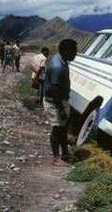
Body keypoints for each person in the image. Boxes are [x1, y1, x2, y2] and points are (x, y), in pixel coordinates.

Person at [43, 38, 77, 166]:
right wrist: (61, 109)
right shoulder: (57, 66)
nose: (76, 54)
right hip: (55, 103)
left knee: (63, 127)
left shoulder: (61, 59)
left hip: (61, 100)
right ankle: (56, 158)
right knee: (57, 129)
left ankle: (65, 153)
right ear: (66, 50)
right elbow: (55, 90)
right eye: (74, 51)